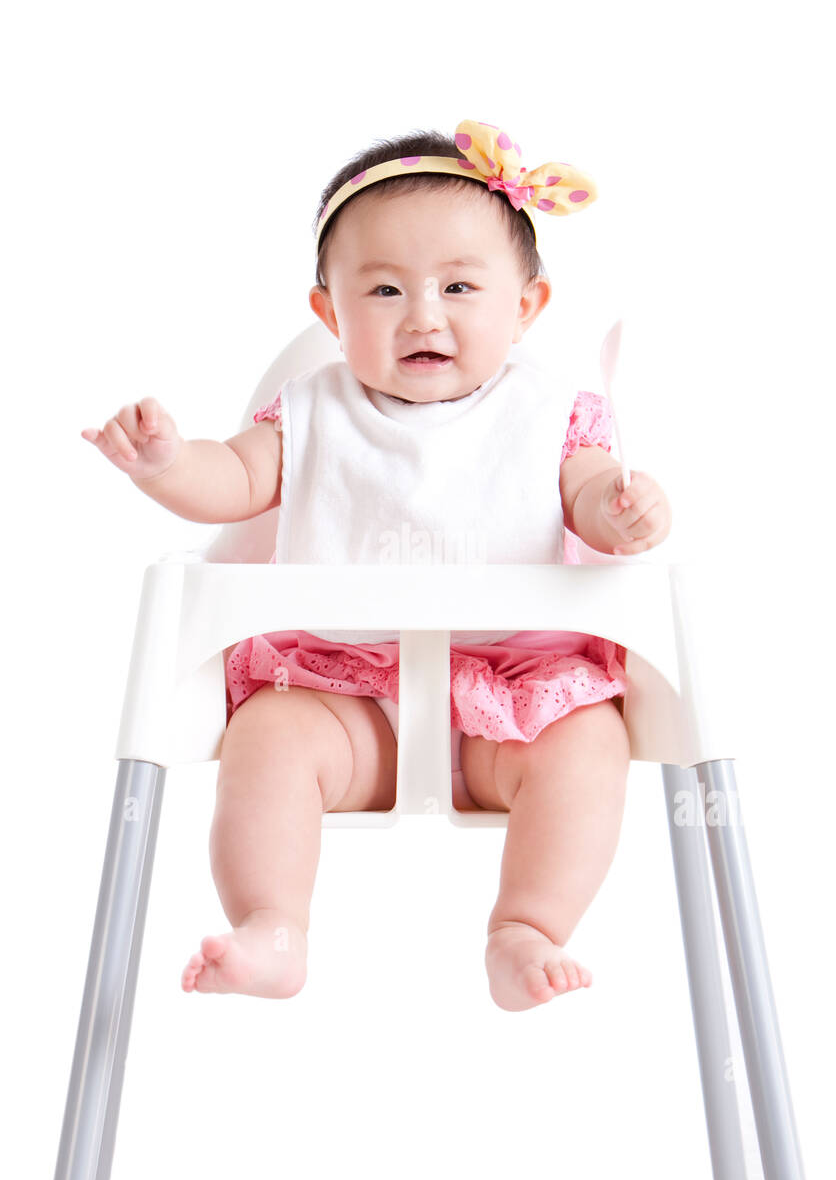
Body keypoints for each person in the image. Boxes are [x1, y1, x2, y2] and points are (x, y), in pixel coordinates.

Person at [82, 118, 672, 1012]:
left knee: (588, 742)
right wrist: (167, 465)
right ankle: (274, 926)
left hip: (517, 705)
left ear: (525, 306)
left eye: (460, 286)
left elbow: (589, 487)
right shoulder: (312, 410)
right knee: (269, 736)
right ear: (330, 313)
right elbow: (237, 479)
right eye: (386, 289)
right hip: (351, 702)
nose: (424, 314)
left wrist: (620, 513)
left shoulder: (556, 411)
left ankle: (526, 926)